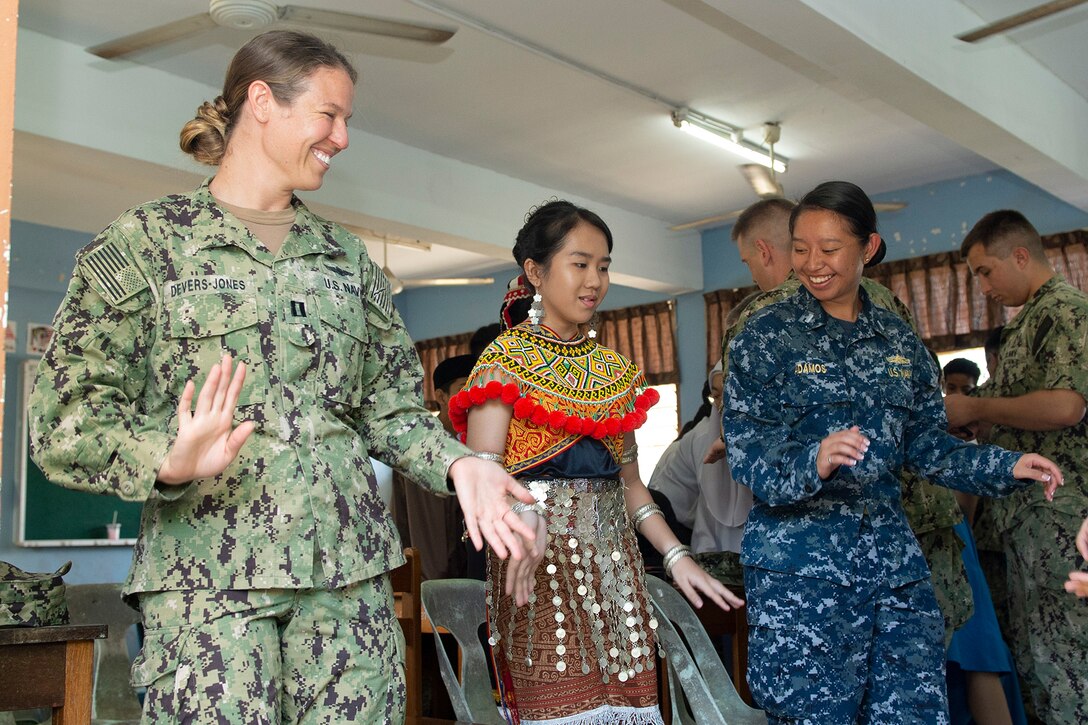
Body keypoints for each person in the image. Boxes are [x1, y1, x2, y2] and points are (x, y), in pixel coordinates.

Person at [27, 30, 536, 724]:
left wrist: (461, 464)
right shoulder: (146, 244)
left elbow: (389, 409)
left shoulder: (345, 260)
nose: (344, 136)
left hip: (348, 591)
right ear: (262, 102)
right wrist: (166, 457)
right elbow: (62, 416)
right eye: (330, 114)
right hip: (210, 598)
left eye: (348, 119)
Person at [723, 181, 1062, 724]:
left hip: (893, 570)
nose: (812, 263)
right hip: (804, 581)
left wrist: (1006, 466)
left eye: (830, 249)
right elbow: (746, 452)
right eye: (802, 248)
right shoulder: (765, 335)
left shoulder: (899, 342)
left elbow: (926, 446)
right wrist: (812, 459)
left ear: (869, 248)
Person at [449, 199, 742, 723]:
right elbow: (484, 480)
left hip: (616, 572)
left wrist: (677, 559)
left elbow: (633, 490)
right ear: (535, 272)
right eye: (580, 264)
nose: (595, 280)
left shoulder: (615, 371)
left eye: (604, 266)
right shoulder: (502, 364)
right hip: (535, 566)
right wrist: (521, 516)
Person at [713, 197, 976, 649]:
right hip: (912, 525)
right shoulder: (884, 300)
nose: (815, 263)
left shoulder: (759, 318)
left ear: (763, 251)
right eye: (804, 248)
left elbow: (745, 428)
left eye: (747, 262)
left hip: (836, 544)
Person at [945, 209, 1088, 724]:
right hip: (1026, 525)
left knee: (1069, 667)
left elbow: (1067, 406)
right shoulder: (1027, 322)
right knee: (1036, 666)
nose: (982, 286)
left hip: (1063, 523)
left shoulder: (1066, 312)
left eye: (985, 271)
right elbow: (1018, 412)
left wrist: (978, 409)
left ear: (1021, 255)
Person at [939, 361, 1025, 725]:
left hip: (953, 552)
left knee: (977, 658)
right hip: (941, 553)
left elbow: (964, 515)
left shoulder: (953, 441)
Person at [391, 354, 476, 581]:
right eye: (464, 387)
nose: (473, 395)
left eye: (478, 386)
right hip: (439, 583)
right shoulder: (426, 448)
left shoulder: (477, 441)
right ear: (441, 396)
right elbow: (429, 534)